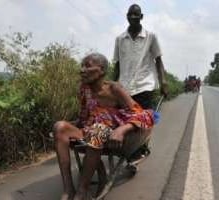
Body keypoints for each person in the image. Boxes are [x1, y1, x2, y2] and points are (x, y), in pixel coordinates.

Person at [53, 53, 154, 200]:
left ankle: (82, 190)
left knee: (98, 130)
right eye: (82, 66)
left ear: (101, 70)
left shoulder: (114, 89)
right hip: (92, 130)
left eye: (87, 66)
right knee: (59, 126)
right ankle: (68, 189)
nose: (82, 70)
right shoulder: (84, 89)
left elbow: (141, 115)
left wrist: (121, 129)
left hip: (112, 132)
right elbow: (84, 116)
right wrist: (71, 127)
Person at [113, 4, 168, 158]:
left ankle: (139, 150)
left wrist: (163, 82)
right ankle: (128, 150)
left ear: (141, 16)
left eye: (136, 15)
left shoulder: (151, 37)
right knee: (124, 120)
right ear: (126, 16)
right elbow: (117, 65)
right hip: (124, 87)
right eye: (130, 14)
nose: (133, 17)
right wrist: (111, 86)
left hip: (144, 85)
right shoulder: (120, 39)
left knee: (142, 121)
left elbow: (158, 61)